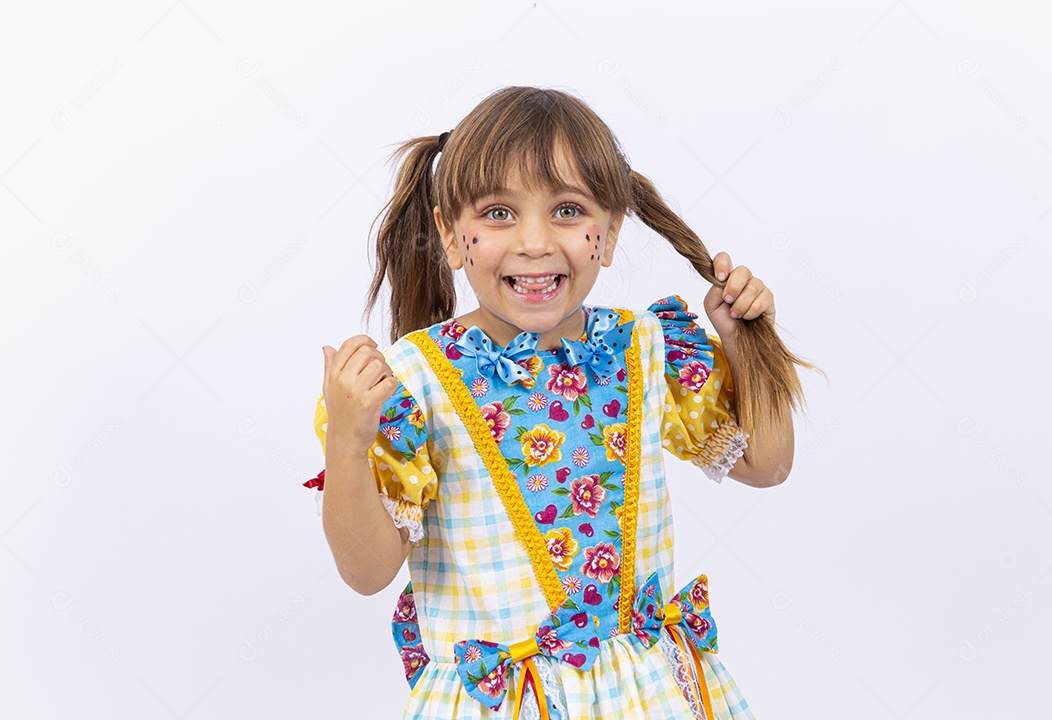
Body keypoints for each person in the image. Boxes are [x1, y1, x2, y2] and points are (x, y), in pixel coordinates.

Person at [304, 86, 808, 719]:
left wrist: (743, 340)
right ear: (452, 236)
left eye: (568, 211)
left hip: (646, 700)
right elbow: (366, 572)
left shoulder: (647, 348)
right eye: (498, 214)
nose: (535, 242)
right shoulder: (414, 382)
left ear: (611, 231)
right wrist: (349, 444)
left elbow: (768, 465)